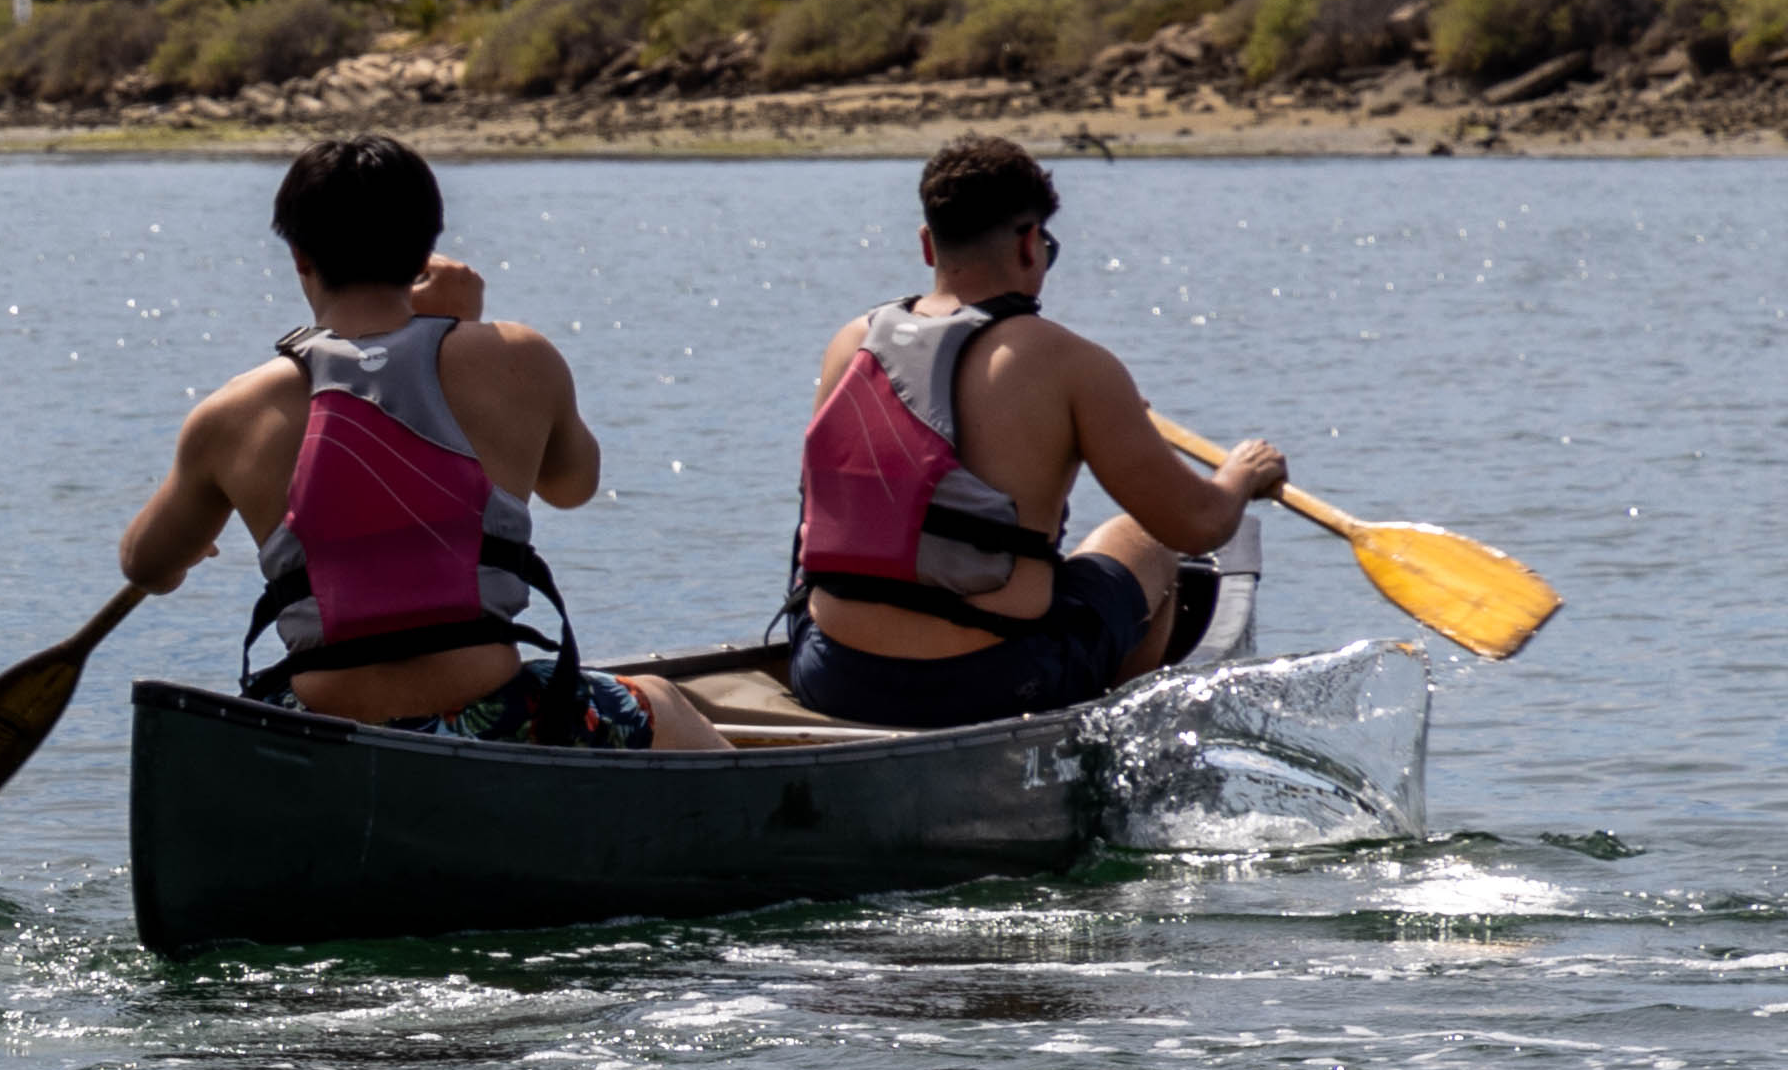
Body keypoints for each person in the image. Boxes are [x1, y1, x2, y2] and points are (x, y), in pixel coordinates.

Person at [115, 133, 731, 754]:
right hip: (495, 717)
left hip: (322, 734)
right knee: (662, 696)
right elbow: (573, 487)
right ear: (426, 251)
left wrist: (184, 551)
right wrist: (463, 327)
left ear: (300, 257)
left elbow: (144, 565)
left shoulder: (231, 415)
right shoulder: (520, 358)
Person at [778, 134, 1281, 725]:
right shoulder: (1074, 365)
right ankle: (1113, 743)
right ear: (1028, 244)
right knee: (1149, 543)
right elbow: (1197, 524)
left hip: (833, 673)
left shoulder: (849, 344)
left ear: (927, 245)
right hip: (990, 682)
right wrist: (1241, 476)